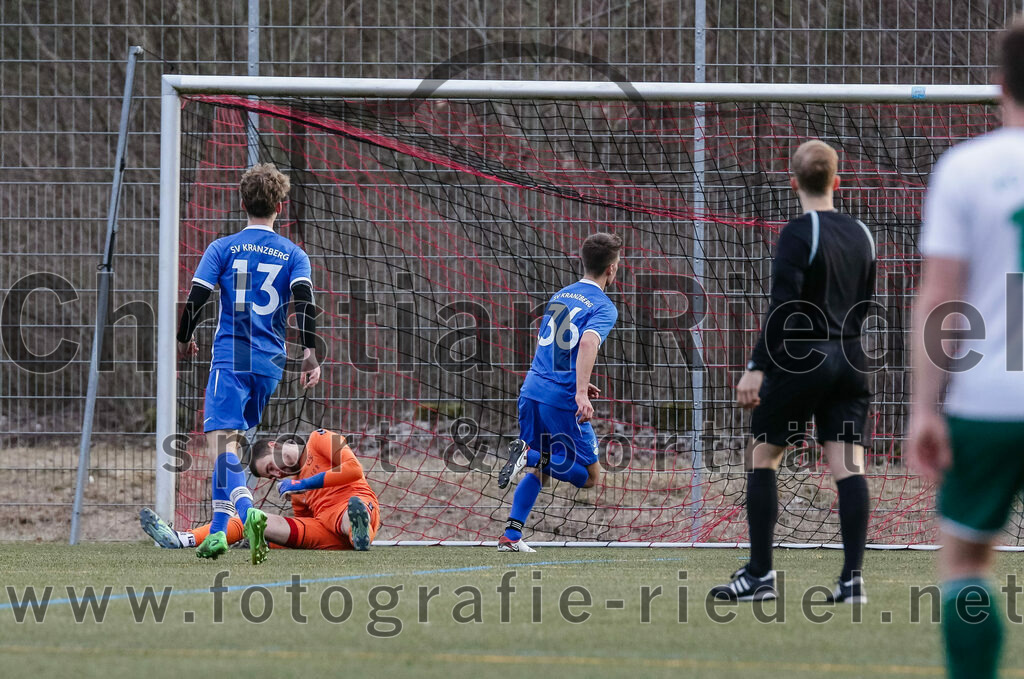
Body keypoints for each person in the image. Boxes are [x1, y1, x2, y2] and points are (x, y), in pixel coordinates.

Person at [710, 140, 876, 602]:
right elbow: (865, 301)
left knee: (762, 457)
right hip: (853, 360)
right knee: (848, 467)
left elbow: (784, 307)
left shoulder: (799, 232)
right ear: (836, 181)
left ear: (793, 182)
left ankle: (760, 576)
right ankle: (851, 581)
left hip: (805, 359)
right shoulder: (862, 232)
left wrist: (757, 367)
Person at [908, 19, 1024, 679]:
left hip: (987, 401)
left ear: (1001, 84)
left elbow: (940, 300)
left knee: (966, 565)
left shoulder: (965, 168)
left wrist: (927, 406)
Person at [176, 163, 321, 564]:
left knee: (220, 444)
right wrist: (309, 353)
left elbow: (198, 298)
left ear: (242, 202)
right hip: (271, 362)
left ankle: (246, 514)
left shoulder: (223, 247)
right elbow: (305, 303)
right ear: (281, 205)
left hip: (232, 356)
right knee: (233, 450)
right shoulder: (294, 254)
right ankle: (219, 535)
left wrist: (183, 338)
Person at [495, 232, 622, 552]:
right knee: (591, 477)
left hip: (532, 390)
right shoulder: (604, 306)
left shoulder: (562, 295)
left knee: (541, 470)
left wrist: (578, 381)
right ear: (612, 269)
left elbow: (556, 347)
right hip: (560, 398)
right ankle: (529, 454)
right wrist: (579, 391)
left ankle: (511, 535)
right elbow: (588, 342)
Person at [140, 429, 379, 552]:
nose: (277, 474)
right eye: (271, 475)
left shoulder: (321, 437)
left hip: (354, 501)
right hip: (324, 528)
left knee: (349, 513)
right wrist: (266, 538)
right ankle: (182, 539)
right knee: (252, 519)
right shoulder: (294, 491)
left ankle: (360, 532)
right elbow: (304, 528)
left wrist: (302, 484)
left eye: (271, 467)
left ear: (275, 446)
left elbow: (354, 470)